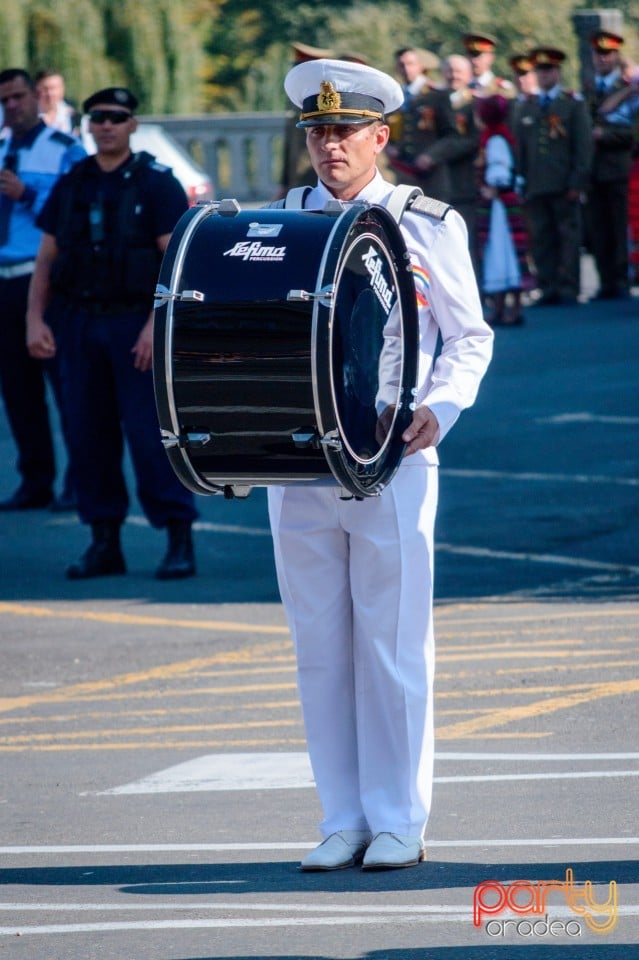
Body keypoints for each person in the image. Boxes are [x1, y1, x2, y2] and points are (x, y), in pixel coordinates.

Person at [268, 58, 493, 871]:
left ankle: (398, 816)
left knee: (392, 645)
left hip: (393, 451)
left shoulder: (424, 218)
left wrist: (444, 405)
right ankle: (343, 817)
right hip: (297, 456)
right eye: (317, 133)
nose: (328, 147)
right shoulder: (282, 216)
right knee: (318, 645)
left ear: (379, 137)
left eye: (343, 132)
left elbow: (469, 335)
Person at [26, 87, 198, 579]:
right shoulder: (73, 183)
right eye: (97, 118)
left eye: (116, 118)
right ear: (88, 125)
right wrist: (34, 320)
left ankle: (178, 537)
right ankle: (104, 541)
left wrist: (153, 327)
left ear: (132, 125)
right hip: (78, 323)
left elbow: (174, 263)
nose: (106, 126)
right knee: (86, 437)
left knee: (151, 438)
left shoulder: (156, 184)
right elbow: (46, 259)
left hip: (134, 325)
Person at [0, 67, 85, 511]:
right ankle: (35, 481)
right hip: (3, 282)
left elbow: (77, 210)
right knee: (17, 391)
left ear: (37, 97)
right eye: (4, 100)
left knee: (67, 387)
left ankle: (80, 480)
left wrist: (27, 194)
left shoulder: (64, 150)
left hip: (45, 281)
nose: (11, 107)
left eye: (18, 97)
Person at [515, 47, 592, 306]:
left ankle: (569, 286)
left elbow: (583, 148)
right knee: (541, 238)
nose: (544, 75)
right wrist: (521, 178)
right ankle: (547, 286)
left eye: (549, 70)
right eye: (540, 70)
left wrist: (577, 181)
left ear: (557, 72)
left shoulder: (572, 103)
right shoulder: (527, 106)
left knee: (569, 236)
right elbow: (521, 148)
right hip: (536, 184)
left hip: (563, 183)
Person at [583, 30, 635, 300]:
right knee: (598, 229)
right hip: (593, 171)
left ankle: (621, 280)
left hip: (619, 168)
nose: (602, 58)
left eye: (608, 53)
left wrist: (606, 135)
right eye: (598, 53)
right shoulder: (588, 89)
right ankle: (605, 281)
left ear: (616, 56)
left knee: (619, 226)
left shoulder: (628, 88)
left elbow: (633, 132)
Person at [475, 94, 529, 325]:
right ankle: (502, 307)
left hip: (500, 209)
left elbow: (501, 172)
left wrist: (492, 189)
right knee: (500, 253)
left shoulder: (495, 139)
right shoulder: (495, 137)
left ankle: (510, 308)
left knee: (502, 252)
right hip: (501, 206)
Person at [387, 46, 461, 202]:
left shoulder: (437, 95)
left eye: (410, 63)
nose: (406, 69)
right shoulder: (396, 96)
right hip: (403, 174)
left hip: (432, 177)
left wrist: (431, 156)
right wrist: (390, 147)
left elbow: (452, 136)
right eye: (401, 64)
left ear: (421, 66)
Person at [441, 54, 481, 271]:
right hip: (439, 184)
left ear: (468, 75)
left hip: (465, 183)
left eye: (458, 71)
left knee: (468, 239)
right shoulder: (436, 101)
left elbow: (473, 140)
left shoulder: (474, 103)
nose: (453, 75)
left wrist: (439, 151)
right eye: (449, 70)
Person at [35, 70, 80, 135]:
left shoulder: (75, 118)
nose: (49, 94)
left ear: (62, 89)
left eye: (53, 88)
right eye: (45, 89)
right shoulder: (28, 117)